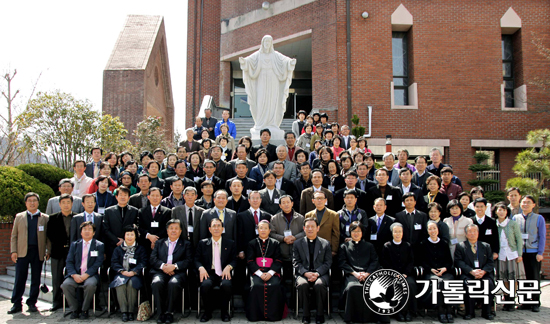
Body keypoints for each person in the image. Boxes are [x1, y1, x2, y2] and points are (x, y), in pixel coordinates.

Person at [9, 192, 50, 315]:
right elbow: (14, 235)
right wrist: (13, 251)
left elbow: (48, 237)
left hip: (38, 251)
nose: (32, 203)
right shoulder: (19, 217)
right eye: (29, 201)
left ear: (38, 202)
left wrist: (48, 250)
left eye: (34, 200)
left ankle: (32, 302)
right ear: (26, 203)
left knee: (36, 279)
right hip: (22, 251)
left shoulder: (45, 218)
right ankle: (16, 303)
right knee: (20, 278)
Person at [150, 219, 193, 324]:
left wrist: (174, 266)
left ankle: (170, 313)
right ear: (167, 230)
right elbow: (152, 259)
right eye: (171, 228)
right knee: (156, 283)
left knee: (173, 283)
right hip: (161, 271)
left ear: (181, 231)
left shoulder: (186, 244)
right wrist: (163, 266)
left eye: (176, 228)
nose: (173, 231)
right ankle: (160, 313)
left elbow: (188, 260)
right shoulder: (159, 243)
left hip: (178, 272)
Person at [194, 218, 238, 322]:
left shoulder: (230, 243)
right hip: (209, 273)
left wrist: (229, 267)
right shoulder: (203, 243)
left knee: (226, 285)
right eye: (214, 226)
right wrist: (201, 268)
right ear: (209, 229)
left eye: (219, 226)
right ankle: (207, 312)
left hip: (224, 272)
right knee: (205, 285)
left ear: (223, 229)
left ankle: (224, 312)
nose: (216, 228)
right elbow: (196, 259)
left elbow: (234, 260)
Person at [61, 221, 105, 319]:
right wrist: (73, 274)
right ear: (81, 232)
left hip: (90, 275)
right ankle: (74, 309)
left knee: (90, 285)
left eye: (90, 229)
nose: (87, 231)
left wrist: (87, 274)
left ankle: (84, 310)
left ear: (94, 233)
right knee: (66, 285)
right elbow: (69, 262)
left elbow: (98, 262)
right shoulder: (75, 245)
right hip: (75, 274)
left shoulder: (99, 245)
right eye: (84, 229)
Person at [338, 221, 379, 324]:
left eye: (358, 231)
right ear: (350, 232)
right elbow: (342, 262)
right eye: (353, 231)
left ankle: (372, 317)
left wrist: (367, 273)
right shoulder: (344, 246)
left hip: (367, 274)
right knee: (352, 287)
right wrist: (355, 273)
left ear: (362, 232)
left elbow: (375, 261)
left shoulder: (369, 246)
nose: (356, 233)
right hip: (352, 275)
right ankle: (351, 316)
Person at [293, 217, 332, 324]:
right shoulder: (297, 243)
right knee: (302, 285)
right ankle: (306, 315)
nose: (310, 229)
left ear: (318, 228)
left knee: (319, 285)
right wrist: (305, 273)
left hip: (320, 274)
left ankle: (320, 314)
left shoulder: (325, 243)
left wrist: (317, 273)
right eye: (307, 227)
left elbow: (328, 262)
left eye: (312, 226)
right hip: (303, 273)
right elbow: (296, 262)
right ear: (304, 228)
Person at [245, 220, 285, 321]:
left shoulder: (275, 243)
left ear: (269, 230)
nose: (263, 230)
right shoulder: (252, 243)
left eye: (265, 228)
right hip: (256, 272)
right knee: (256, 286)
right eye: (261, 228)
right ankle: (255, 315)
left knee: (275, 285)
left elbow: (278, 260)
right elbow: (250, 260)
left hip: (272, 272)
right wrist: (259, 273)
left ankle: (273, 315)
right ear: (257, 230)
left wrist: (270, 273)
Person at [454, 224, 495, 320]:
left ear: (478, 233)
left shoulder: (485, 246)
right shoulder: (460, 246)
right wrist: (471, 271)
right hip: (468, 274)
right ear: (466, 233)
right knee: (469, 285)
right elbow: (458, 261)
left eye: (474, 231)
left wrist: (483, 272)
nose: (472, 234)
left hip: (483, 274)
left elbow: (490, 262)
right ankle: (469, 312)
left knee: (488, 284)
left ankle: (487, 312)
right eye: (470, 232)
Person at [512, 195, 545, 312]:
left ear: (533, 205)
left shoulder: (539, 218)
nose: (525, 204)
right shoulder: (515, 218)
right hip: (521, 253)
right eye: (523, 202)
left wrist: (540, 252)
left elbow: (542, 236)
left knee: (534, 278)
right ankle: (525, 302)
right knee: (522, 278)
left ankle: (535, 302)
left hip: (534, 252)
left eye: (528, 202)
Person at [110, 225, 148, 322]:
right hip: (121, 274)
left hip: (134, 275)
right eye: (127, 235)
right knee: (120, 284)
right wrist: (122, 271)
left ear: (136, 236)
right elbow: (114, 263)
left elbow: (143, 262)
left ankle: (130, 311)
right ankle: (124, 312)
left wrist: (134, 272)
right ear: (124, 236)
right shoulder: (118, 249)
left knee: (132, 284)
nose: (130, 237)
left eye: (132, 234)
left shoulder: (140, 249)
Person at [418, 221, 454, 323]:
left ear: (438, 230)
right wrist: (430, 269)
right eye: (430, 229)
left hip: (444, 272)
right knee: (438, 283)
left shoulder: (444, 243)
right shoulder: (423, 244)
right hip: (430, 272)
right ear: (427, 231)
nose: (432, 231)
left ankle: (449, 310)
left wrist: (444, 269)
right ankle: (441, 310)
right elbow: (421, 261)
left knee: (448, 282)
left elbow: (449, 261)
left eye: (434, 228)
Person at [380, 223, 417, 322]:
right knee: (396, 285)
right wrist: (394, 273)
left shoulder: (407, 245)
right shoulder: (387, 246)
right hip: (392, 275)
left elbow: (411, 261)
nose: (398, 234)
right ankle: (398, 312)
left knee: (410, 284)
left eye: (400, 231)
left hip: (406, 274)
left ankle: (408, 311)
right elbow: (384, 262)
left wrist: (405, 273)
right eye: (395, 231)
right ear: (392, 233)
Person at [269, 195, 305, 295]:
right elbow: (272, 234)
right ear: (280, 205)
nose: (286, 205)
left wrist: (295, 238)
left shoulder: (300, 218)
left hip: (296, 254)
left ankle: (295, 302)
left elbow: (304, 232)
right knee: (282, 281)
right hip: (282, 253)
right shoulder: (274, 218)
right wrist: (283, 239)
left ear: (292, 203)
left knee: (296, 281)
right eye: (283, 203)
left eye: (288, 202)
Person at [493, 202, 525, 311]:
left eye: (504, 210)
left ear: (507, 212)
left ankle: (511, 300)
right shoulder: (494, 224)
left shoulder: (512, 224)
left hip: (512, 254)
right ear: (495, 211)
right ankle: (506, 299)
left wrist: (519, 254)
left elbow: (519, 240)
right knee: (503, 278)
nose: (501, 212)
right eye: (499, 210)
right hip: (500, 255)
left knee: (513, 278)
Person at [46, 194, 75, 312]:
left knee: (70, 278)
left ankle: (69, 301)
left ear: (72, 204)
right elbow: (50, 235)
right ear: (59, 204)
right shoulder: (53, 218)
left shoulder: (77, 217)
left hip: (72, 252)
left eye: (68, 202)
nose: (66, 205)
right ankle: (56, 301)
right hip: (57, 251)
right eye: (63, 203)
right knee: (56, 278)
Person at [103, 187, 139, 264]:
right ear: (116, 197)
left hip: (129, 245)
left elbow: (137, 227)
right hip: (113, 244)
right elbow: (105, 229)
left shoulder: (134, 211)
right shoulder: (108, 211)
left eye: (125, 195)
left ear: (129, 197)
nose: (123, 197)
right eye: (121, 195)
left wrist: (125, 240)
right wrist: (116, 240)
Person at [394, 192, 429, 260]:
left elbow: (425, 232)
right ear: (403, 203)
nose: (409, 202)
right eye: (407, 200)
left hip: (418, 247)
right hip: (403, 247)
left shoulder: (422, 215)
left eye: (411, 200)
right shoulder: (398, 216)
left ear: (415, 202)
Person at [304, 191, 340, 256]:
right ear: (313, 200)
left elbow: (336, 233)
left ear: (325, 200)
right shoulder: (308, 215)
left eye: (322, 198)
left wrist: (334, 249)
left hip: (327, 248)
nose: (319, 200)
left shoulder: (333, 215)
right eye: (317, 198)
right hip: (312, 247)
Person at [138, 188, 172, 255]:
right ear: (148, 197)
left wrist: (155, 239)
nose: (155, 198)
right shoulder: (142, 211)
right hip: (145, 243)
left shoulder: (167, 211)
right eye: (153, 195)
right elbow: (139, 227)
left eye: (157, 195)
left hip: (161, 243)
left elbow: (166, 228)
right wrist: (149, 236)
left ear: (161, 197)